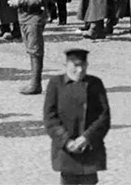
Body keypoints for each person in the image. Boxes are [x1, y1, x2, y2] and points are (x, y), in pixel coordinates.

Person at [43, 48, 111, 185]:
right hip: (66, 151)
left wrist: (87, 137)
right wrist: (66, 141)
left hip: (90, 149)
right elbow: (50, 118)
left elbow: (104, 117)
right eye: (75, 65)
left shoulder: (95, 84)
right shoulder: (56, 84)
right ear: (66, 65)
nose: (80, 70)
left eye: (83, 65)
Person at [9, 0, 47, 94]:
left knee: (35, 50)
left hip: (34, 18)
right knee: (30, 50)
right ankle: (33, 82)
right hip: (24, 17)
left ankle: (35, 84)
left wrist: (21, 1)